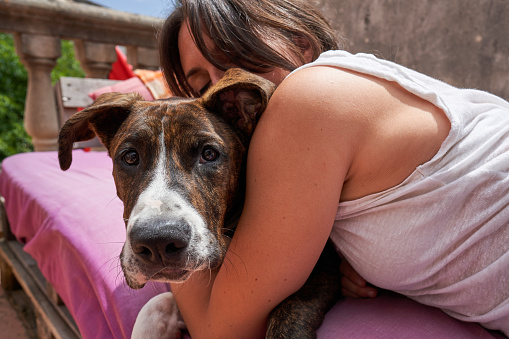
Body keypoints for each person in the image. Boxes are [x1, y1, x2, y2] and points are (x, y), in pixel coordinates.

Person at [157, 0, 509, 337]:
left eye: (240, 59)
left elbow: (220, 329)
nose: (227, 92)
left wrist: (156, 195)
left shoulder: (308, 99)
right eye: (203, 86)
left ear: (302, 47)